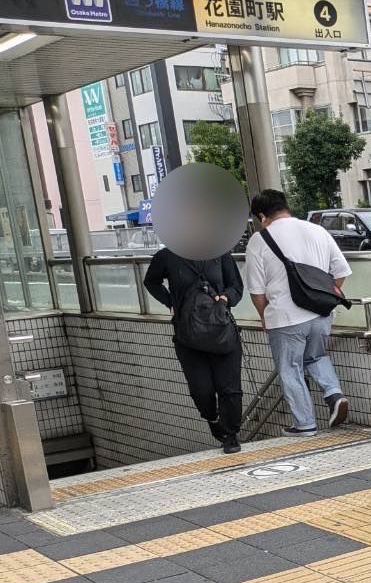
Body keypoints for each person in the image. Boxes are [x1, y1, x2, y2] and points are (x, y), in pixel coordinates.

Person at [244, 189, 351, 437]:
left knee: (290, 369)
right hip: (320, 314)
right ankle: (334, 395)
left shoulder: (259, 241)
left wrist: (264, 317)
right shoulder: (316, 230)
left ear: (262, 215)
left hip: (285, 317)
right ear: (285, 206)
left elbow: (257, 291)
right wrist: (323, 296)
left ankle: (305, 424)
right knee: (316, 356)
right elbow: (341, 271)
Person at [143, 244, 245, 454]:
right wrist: (171, 302)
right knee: (202, 390)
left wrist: (225, 298)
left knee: (230, 389)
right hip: (188, 335)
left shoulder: (220, 252)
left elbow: (236, 286)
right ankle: (212, 417)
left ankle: (231, 434)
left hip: (221, 332)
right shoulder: (167, 256)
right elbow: (151, 281)